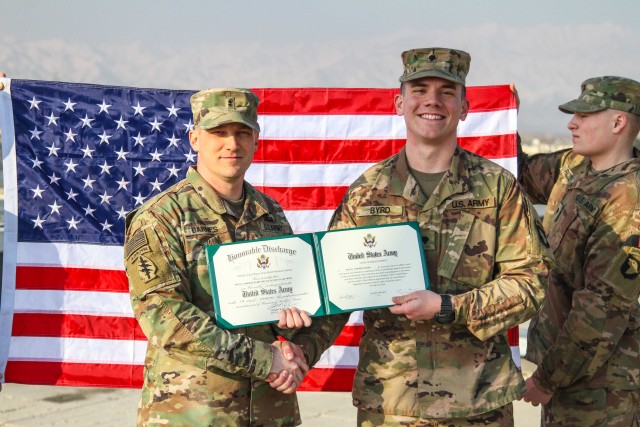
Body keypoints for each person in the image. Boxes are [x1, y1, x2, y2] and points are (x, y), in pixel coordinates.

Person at [306, 47, 554, 426]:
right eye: (420, 89)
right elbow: (334, 290)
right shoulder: (367, 191)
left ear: (465, 106)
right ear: (399, 102)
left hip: (479, 402)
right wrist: (296, 350)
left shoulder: (497, 187)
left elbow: (531, 282)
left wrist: (448, 307)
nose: (432, 101)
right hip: (391, 404)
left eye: (446, 91)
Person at [124, 87, 336, 426]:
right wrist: (266, 361)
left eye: (242, 133)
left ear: (256, 141)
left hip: (271, 410)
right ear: (194, 138)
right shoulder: (161, 217)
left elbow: (293, 299)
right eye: (218, 133)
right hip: (194, 413)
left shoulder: (271, 214)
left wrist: (296, 347)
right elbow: (167, 319)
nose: (231, 144)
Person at [519, 76, 640, 426]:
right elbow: (522, 174)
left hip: (604, 389)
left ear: (618, 123)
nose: (572, 123)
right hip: (568, 370)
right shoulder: (576, 166)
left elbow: (601, 307)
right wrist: (496, 113)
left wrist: (547, 379)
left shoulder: (628, 200)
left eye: (585, 116)